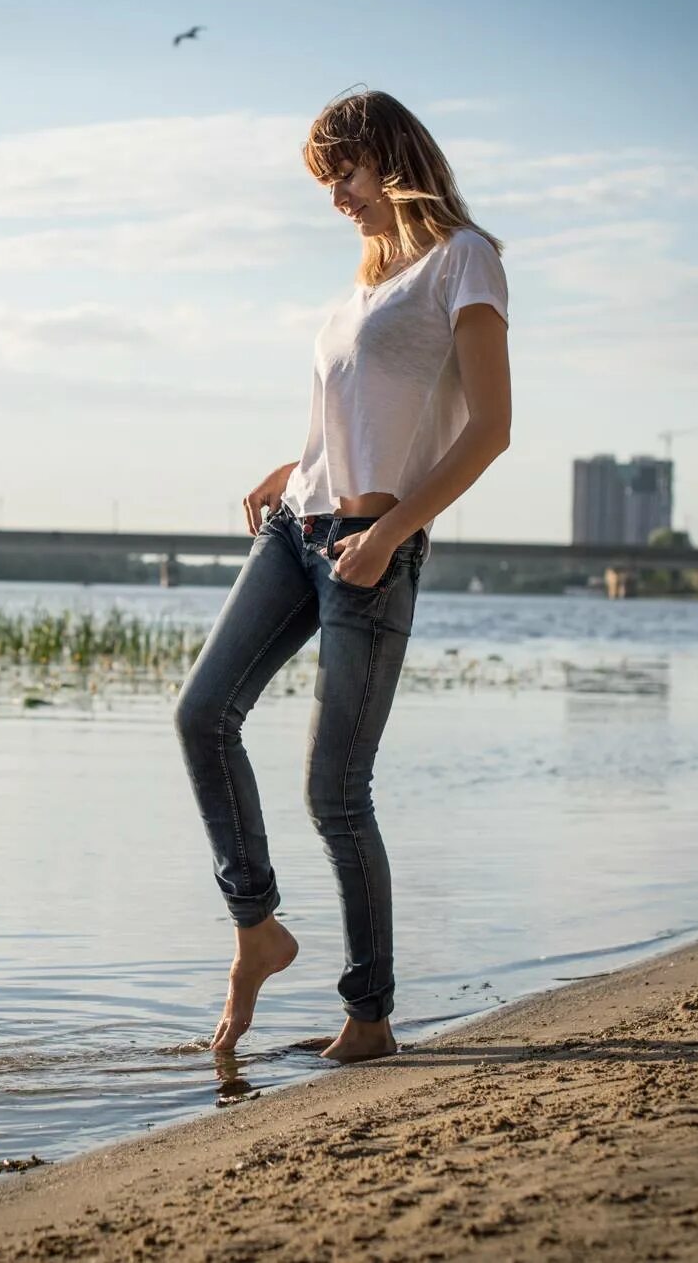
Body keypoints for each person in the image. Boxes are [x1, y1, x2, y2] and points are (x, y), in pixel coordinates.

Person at [172, 88, 513, 1063]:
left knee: (335, 791)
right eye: (325, 182)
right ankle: (258, 927)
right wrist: (297, 466)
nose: (335, 197)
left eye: (344, 174)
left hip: (372, 547)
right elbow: (356, 414)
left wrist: (392, 527)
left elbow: (488, 428)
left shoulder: (463, 260)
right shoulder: (359, 288)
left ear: (391, 158)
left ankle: (368, 1018)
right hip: (295, 529)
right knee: (201, 714)